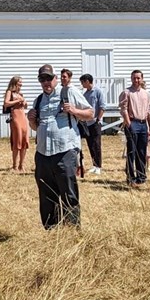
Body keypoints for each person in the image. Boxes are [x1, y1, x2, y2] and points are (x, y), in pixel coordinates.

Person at [27, 64, 93, 229]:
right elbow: (36, 127)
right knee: (46, 193)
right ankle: (51, 230)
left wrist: (74, 110)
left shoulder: (68, 92)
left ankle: (72, 229)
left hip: (65, 150)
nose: (46, 82)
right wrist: (30, 119)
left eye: (49, 78)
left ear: (56, 79)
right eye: (42, 79)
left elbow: (90, 113)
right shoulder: (38, 100)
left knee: (68, 191)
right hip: (43, 153)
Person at [119, 70, 150, 187]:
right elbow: (123, 110)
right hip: (132, 122)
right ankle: (130, 177)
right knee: (131, 151)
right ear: (131, 79)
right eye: (134, 78)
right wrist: (129, 124)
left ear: (142, 79)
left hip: (143, 124)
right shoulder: (127, 92)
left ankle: (141, 176)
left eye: (138, 78)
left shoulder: (146, 94)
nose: (136, 80)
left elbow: (149, 112)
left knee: (142, 151)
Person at [79, 74, 106, 174]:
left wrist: (98, 119)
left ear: (87, 81)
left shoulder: (98, 91)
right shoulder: (85, 94)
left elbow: (102, 106)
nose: (82, 84)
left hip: (95, 122)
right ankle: (94, 164)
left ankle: (99, 166)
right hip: (87, 123)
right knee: (90, 144)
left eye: (82, 82)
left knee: (97, 144)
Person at [3, 76, 29, 172]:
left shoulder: (20, 94)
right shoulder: (10, 92)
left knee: (24, 139)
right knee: (17, 139)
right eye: (19, 82)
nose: (21, 84)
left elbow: (25, 106)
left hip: (23, 116)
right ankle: (14, 166)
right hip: (15, 116)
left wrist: (25, 103)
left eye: (21, 82)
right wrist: (18, 100)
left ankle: (21, 165)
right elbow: (6, 103)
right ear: (15, 83)